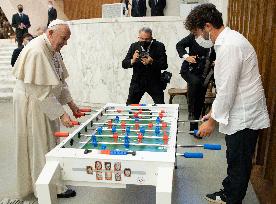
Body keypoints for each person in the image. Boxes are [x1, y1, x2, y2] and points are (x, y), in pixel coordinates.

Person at [184, 3, 270, 204]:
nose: (198, 37)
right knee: (234, 158)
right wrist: (213, 113)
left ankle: (233, 200)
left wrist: (211, 123)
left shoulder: (230, 45)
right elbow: (226, 89)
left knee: (239, 162)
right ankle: (228, 192)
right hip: (239, 109)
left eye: (197, 32)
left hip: (244, 114)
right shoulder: (228, 41)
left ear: (207, 26)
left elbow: (227, 90)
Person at [12, 19, 82, 200]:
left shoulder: (52, 49)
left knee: (50, 142)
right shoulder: (36, 50)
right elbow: (40, 91)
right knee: (40, 144)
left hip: (45, 102)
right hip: (33, 104)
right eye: (63, 39)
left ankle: (53, 181)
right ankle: (45, 187)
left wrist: (72, 105)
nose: (65, 43)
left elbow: (59, 81)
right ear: (50, 33)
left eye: (67, 40)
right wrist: (61, 114)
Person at [176, 33, 215, 138]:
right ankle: (193, 127)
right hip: (189, 71)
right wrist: (186, 57)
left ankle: (199, 123)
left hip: (205, 74)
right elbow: (179, 45)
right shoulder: (193, 35)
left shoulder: (215, 37)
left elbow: (215, 54)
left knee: (200, 99)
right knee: (194, 96)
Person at [122, 27, 168, 104]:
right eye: (142, 39)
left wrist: (152, 61)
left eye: (147, 39)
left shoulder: (159, 46)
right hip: (137, 82)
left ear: (151, 38)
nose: (144, 41)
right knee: (130, 107)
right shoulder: (134, 46)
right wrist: (132, 60)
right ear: (139, 37)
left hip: (155, 81)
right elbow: (124, 64)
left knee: (161, 107)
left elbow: (164, 65)